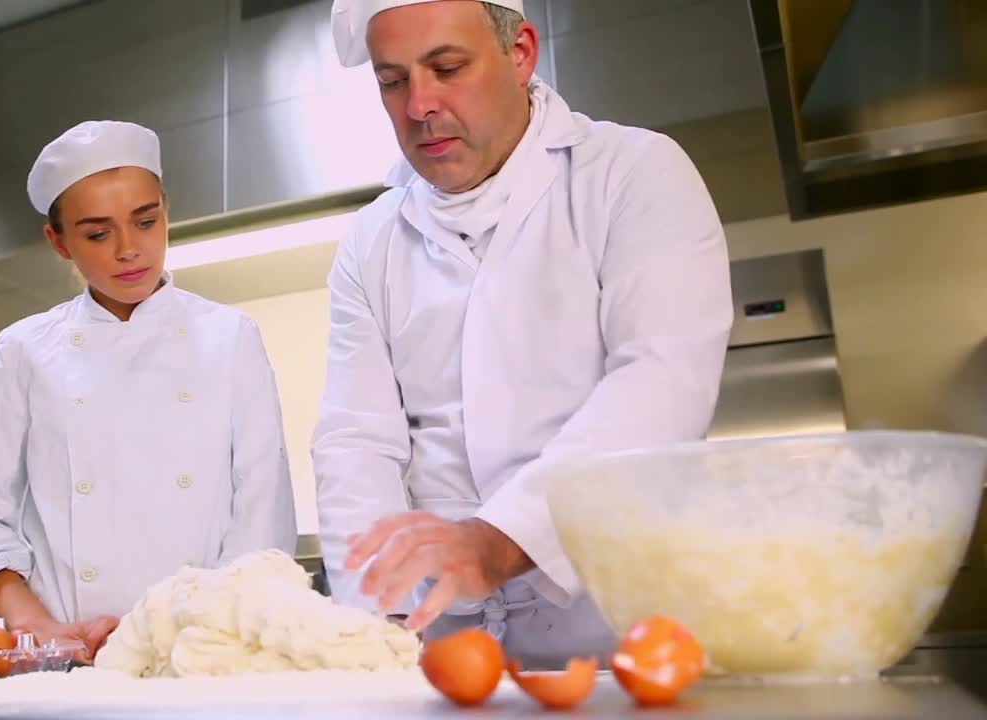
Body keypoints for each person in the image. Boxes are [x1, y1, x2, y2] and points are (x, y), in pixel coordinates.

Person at [314, 0, 733, 667]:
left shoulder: (632, 173)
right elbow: (356, 441)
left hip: (617, 627)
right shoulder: (371, 240)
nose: (419, 105)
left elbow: (660, 383)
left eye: (447, 68)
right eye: (392, 81)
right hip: (440, 644)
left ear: (521, 53)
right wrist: (371, 625)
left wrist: (504, 539)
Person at [0, 120, 297, 662]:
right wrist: (39, 627)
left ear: (166, 214)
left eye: (146, 221)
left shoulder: (230, 337)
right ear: (59, 242)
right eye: (97, 234)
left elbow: (262, 516)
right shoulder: (24, 350)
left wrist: (210, 636)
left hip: (205, 655)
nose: (130, 249)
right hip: (72, 657)